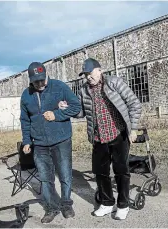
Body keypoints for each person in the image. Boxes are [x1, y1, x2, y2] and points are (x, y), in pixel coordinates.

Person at [59, 58, 142, 220]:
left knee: (121, 171)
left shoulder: (114, 83)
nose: (88, 77)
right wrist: (68, 108)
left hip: (118, 134)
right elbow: (82, 113)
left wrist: (133, 129)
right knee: (100, 172)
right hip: (98, 137)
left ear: (100, 70)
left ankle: (123, 205)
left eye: (90, 73)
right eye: (85, 75)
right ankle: (107, 203)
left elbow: (134, 103)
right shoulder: (84, 90)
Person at [20, 62, 81, 224]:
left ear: (47, 75)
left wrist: (57, 115)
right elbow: (25, 120)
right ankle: (51, 208)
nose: (40, 84)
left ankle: (66, 204)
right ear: (30, 80)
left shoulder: (59, 87)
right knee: (46, 178)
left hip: (61, 140)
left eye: (42, 80)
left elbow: (76, 107)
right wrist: (26, 140)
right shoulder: (26, 95)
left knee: (65, 174)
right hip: (39, 144)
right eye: (36, 81)